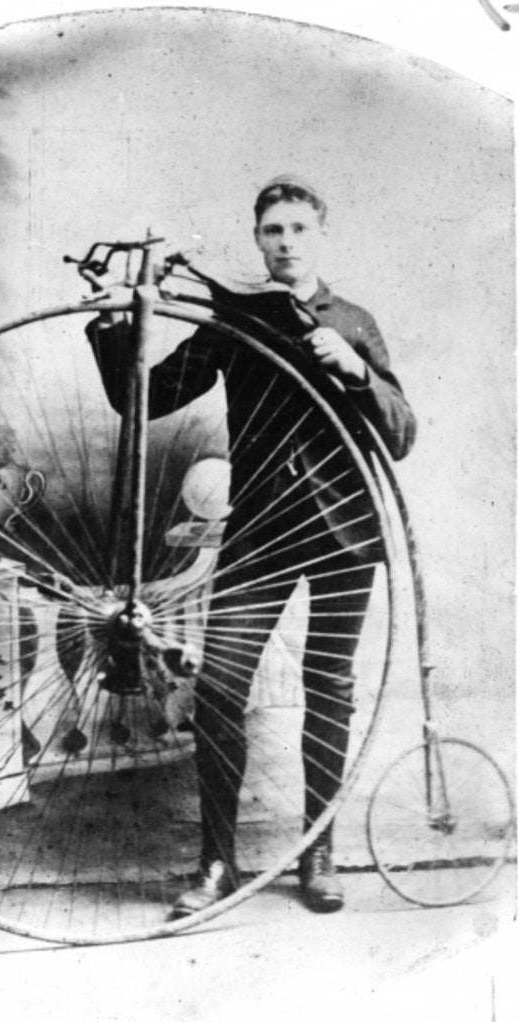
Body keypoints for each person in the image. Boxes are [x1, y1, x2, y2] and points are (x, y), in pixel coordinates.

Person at [87, 175, 417, 915]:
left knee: (327, 686)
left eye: (299, 229)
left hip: (341, 531)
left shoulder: (354, 321)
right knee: (222, 690)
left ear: (320, 235)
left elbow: (401, 433)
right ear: (258, 241)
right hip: (263, 530)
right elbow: (141, 398)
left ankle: (318, 853)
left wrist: (357, 369)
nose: (287, 243)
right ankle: (216, 865)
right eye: (273, 231)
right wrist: (114, 325)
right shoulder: (237, 324)